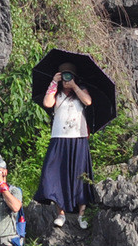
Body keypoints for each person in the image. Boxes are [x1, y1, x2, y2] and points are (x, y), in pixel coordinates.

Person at [38, 63, 95, 228]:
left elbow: (88, 102)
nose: (66, 78)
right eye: (64, 75)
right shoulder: (56, 92)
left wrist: (75, 86)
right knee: (54, 174)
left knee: (80, 175)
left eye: (69, 75)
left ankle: (82, 215)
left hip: (78, 138)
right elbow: (47, 104)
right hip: (59, 138)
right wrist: (53, 83)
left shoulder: (80, 90)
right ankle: (60, 213)